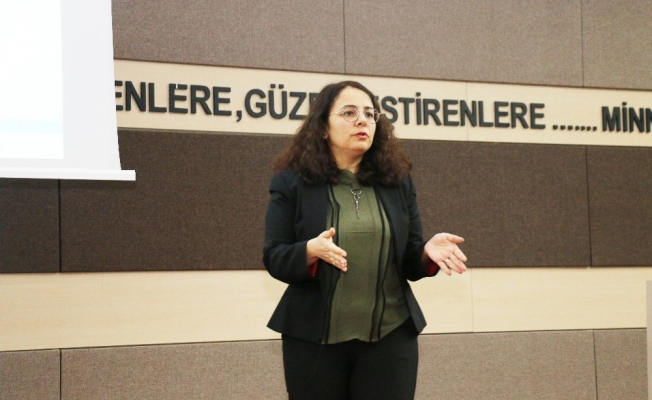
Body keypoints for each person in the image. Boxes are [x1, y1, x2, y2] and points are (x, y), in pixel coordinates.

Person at [263, 80, 467, 400]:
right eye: (349, 113)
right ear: (322, 128)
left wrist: (426, 253)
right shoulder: (292, 182)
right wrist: (310, 251)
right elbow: (275, 255)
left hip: (391, 336)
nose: (363, 120)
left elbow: (410, 260)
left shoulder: (397, 181)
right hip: (314, 338)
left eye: (370, 114)